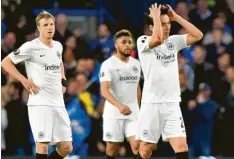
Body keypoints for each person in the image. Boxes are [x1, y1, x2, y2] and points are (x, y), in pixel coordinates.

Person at [1, 11, 73, 159]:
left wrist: (63, 82)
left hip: (58, 102)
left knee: (66, 147)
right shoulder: (31, 47)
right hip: (40, 102)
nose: (49, 27)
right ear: (38, 28)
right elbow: (5, 62)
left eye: (51, 24)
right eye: (45, 25)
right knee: (43, 144)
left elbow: (59, 64)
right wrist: (23, 80)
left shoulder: (58, 46)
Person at [136, 3, 203, 159]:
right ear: (151, 27)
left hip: (172, 103)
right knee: (146, 149)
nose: (167, 27)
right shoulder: (143, 41)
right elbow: (157, 39)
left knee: (181, 147)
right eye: (162, 24)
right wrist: (156, 19)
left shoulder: (173, 42)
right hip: (151, 104)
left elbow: (198, 35)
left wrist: (177, 17)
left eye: (168, 24)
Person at [99, 29, 141, 159]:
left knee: (138, 145)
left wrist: (139, 109)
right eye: (124, 42)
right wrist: (119, 106)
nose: (128, 45)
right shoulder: (108, 64)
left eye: (130, 42)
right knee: (112, 149)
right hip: (114, 113)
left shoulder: (136, 64)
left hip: (133, 112)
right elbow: (104, 90)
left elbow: (137, 88)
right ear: (116, 45)